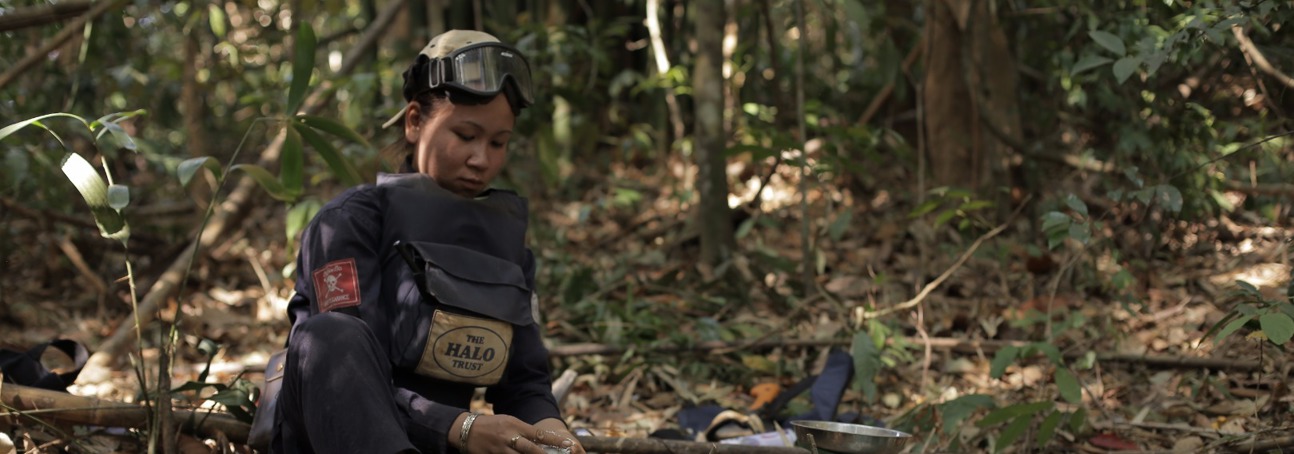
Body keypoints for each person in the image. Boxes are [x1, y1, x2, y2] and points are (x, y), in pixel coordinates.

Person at [271, 30, 585, 454]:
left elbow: (524, 381)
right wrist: (462, 426)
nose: (482, 159)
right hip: (333, 437)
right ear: (415, 121)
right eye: (466, 135)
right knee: (330, 333)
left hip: (440, 441)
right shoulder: (350, 222)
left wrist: (554, 436)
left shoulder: (506, 247)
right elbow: (342, 365)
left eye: (498, 143)